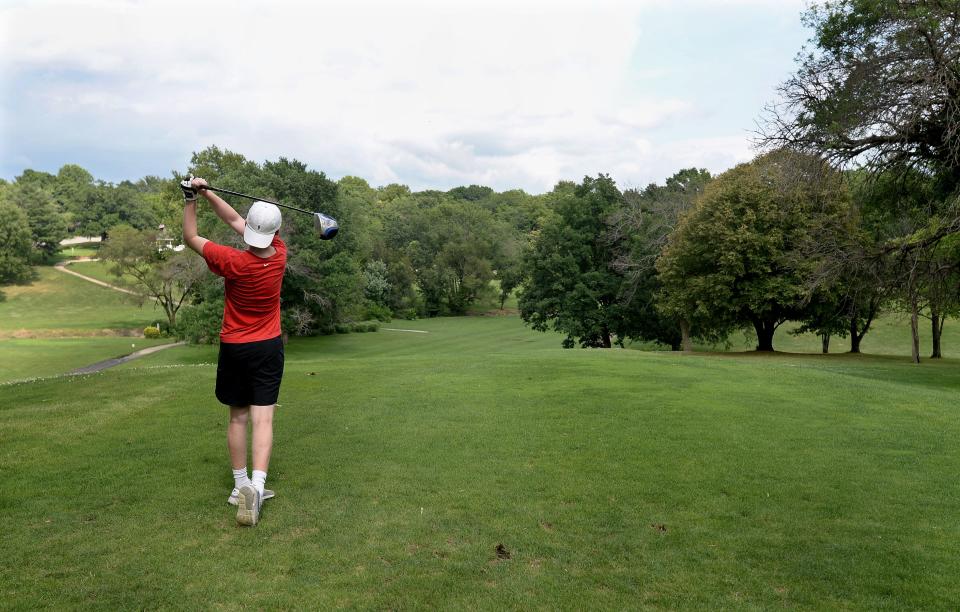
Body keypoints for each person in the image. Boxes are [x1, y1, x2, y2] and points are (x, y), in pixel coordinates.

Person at [181, 176, 287, 526]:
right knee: (264, 417)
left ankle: (240, 485)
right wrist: (209, 192)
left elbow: (192, 237)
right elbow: (236, 222)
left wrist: (191, 198)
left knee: (238, 417)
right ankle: (257, 486)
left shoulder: (232, 261)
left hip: (235, 348)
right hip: (268, 347)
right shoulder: (280, 255)